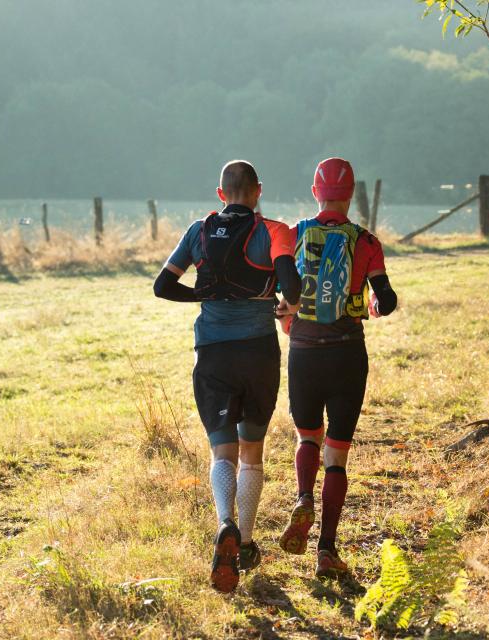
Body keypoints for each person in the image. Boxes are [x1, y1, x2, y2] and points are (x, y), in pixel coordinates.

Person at [153, 160, 301, 593]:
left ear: (221, 194)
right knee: (252, 450)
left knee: (223, 451)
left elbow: (163, 286)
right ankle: (248, 542)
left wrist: (201, 294)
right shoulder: (275, 230)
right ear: (257, 192)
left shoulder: (199, 230)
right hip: (258, 351)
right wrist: (287, 306)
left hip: (212, 353)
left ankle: (225, 524)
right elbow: (290, 286)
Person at [276, 157, 398, 578]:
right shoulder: (366, 241)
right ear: (350, 195)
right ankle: (327, 549)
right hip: (348, 354)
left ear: (316, 192)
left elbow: (278, 291)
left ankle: (304, 498)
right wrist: (376, 304)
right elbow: (386, 298)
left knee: (308, 435)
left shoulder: (294, 235)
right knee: (338, 454)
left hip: (305, 351)